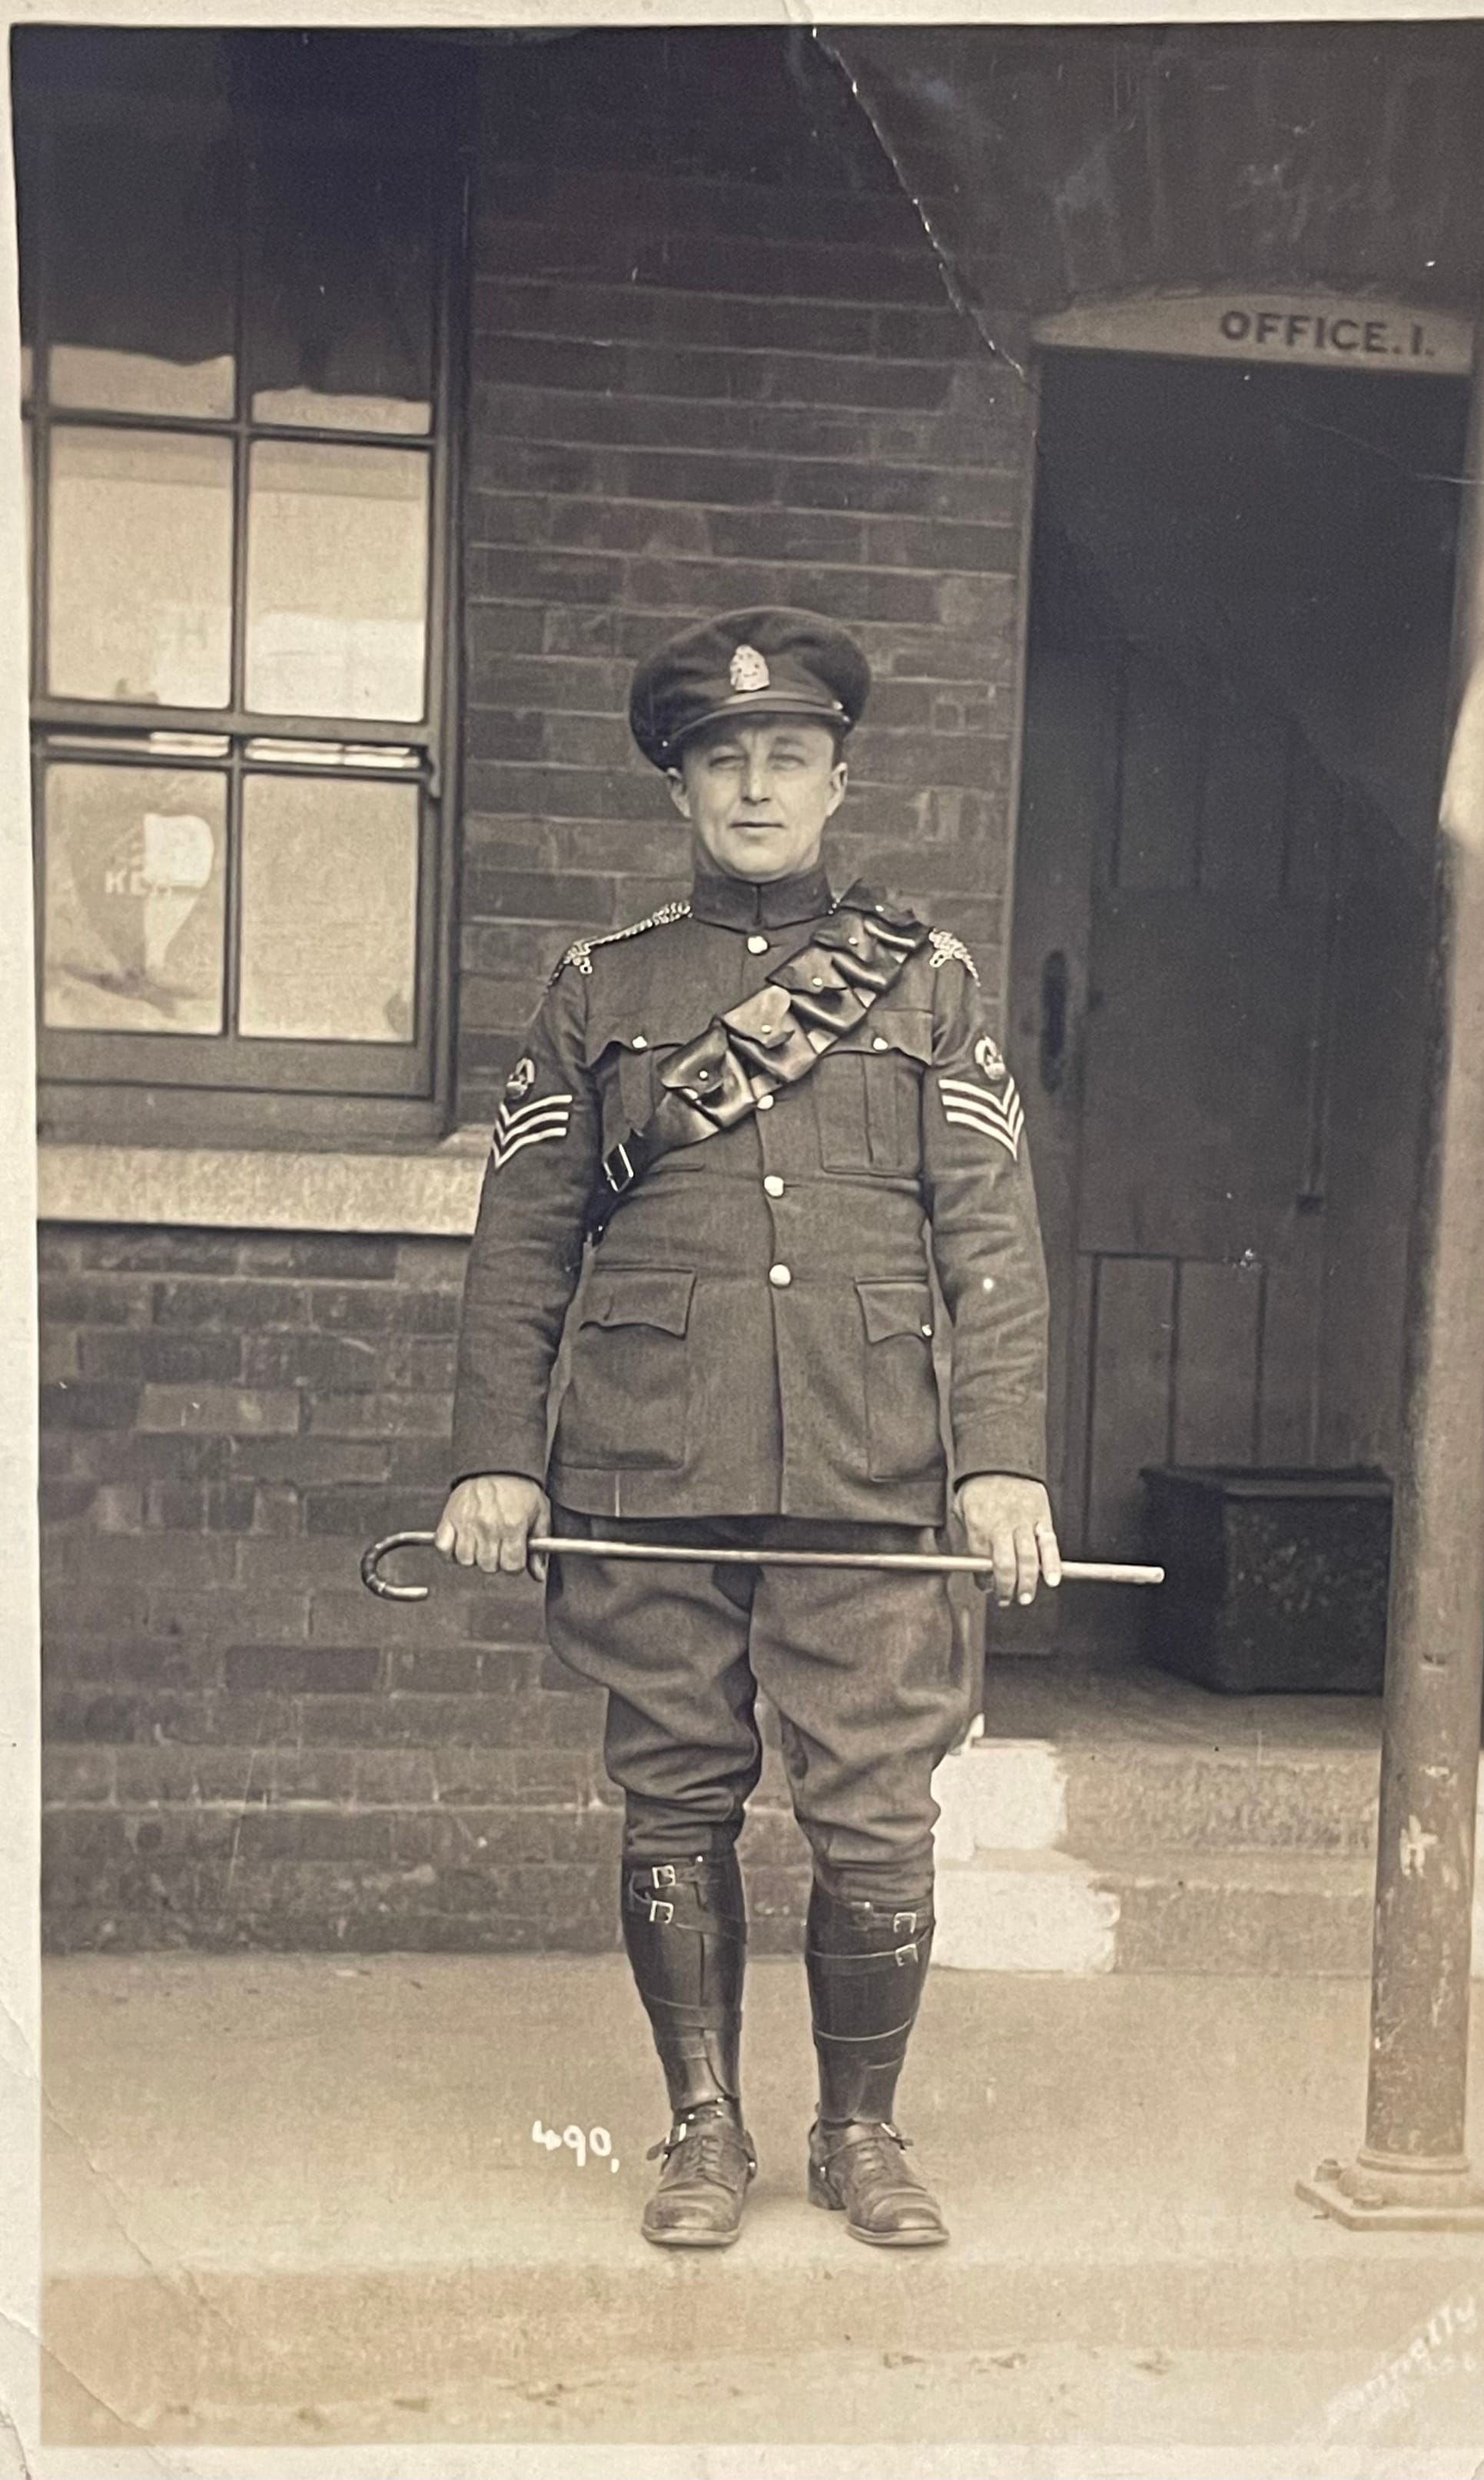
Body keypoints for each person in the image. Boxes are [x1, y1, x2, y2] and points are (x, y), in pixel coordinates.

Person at [437, 606, 1058, 2252]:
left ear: (838, 779)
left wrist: (995, 1457)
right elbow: (522, 1238)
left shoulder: (924, 987)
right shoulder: (601, 989)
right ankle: (699, 2131)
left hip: (870, 1465)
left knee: (877, 1812)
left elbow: (989, 1238)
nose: (757, 786)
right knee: (673, 1798)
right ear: (681, 791)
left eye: (788, 757)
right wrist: (498, 1450)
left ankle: (860, 2133)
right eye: (725, 761)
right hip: (648, 1458)